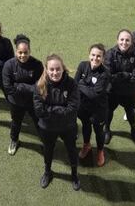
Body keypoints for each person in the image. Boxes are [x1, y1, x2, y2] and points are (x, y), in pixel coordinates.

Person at [34, 54, 80, 190]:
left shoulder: (71, 84)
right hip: (47, 128)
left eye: (58, 69)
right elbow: (39, 111)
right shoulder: (40, 85)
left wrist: (50, 109)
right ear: (47, 70)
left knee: (72, 150)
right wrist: (60, 109)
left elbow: (73, 108)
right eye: (52, 69)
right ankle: (47, 172)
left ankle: (74, 174)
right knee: (48, 150)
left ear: (63, 68)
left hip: (68, 127)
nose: (55, 73)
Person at [2, 34, 43, 155]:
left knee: (39, 122)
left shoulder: (37, 64)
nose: (23, 55)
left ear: (29, 51)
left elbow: (39, 87)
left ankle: (45, 141)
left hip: (33, 101)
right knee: (16, 122)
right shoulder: (8, 65)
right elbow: (8, 88)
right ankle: (14, 140)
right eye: (20, 52)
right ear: (16, 51)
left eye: (25, 52)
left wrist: (20, 86)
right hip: (16, 102)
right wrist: (29, 88)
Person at [75, 43, 110, 166]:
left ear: (103, 58)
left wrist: (81, 85)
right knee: (85, 126)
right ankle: (87, 145)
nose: (95, 58)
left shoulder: (105, 74)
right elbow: (75, 84)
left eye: (98, 56)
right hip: (83, 107)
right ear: (89, 55)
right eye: (93, 55)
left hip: (98, 110)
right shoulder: (82, 65)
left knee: (99, 131)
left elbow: (94, 94)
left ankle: (100, 151)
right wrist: (84, 87)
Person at [104, 31, 135, 145]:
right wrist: (125, 75)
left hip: (129, 92)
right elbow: (108, 76)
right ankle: (107, 130)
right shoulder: (110, 54)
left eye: (127, 40)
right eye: (121, 39)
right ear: (117, 40)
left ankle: (133, 130)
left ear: (131, 42)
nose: (124, 42)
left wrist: (119, 76)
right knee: (108, 111)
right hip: (112, 91)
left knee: (130, 112)